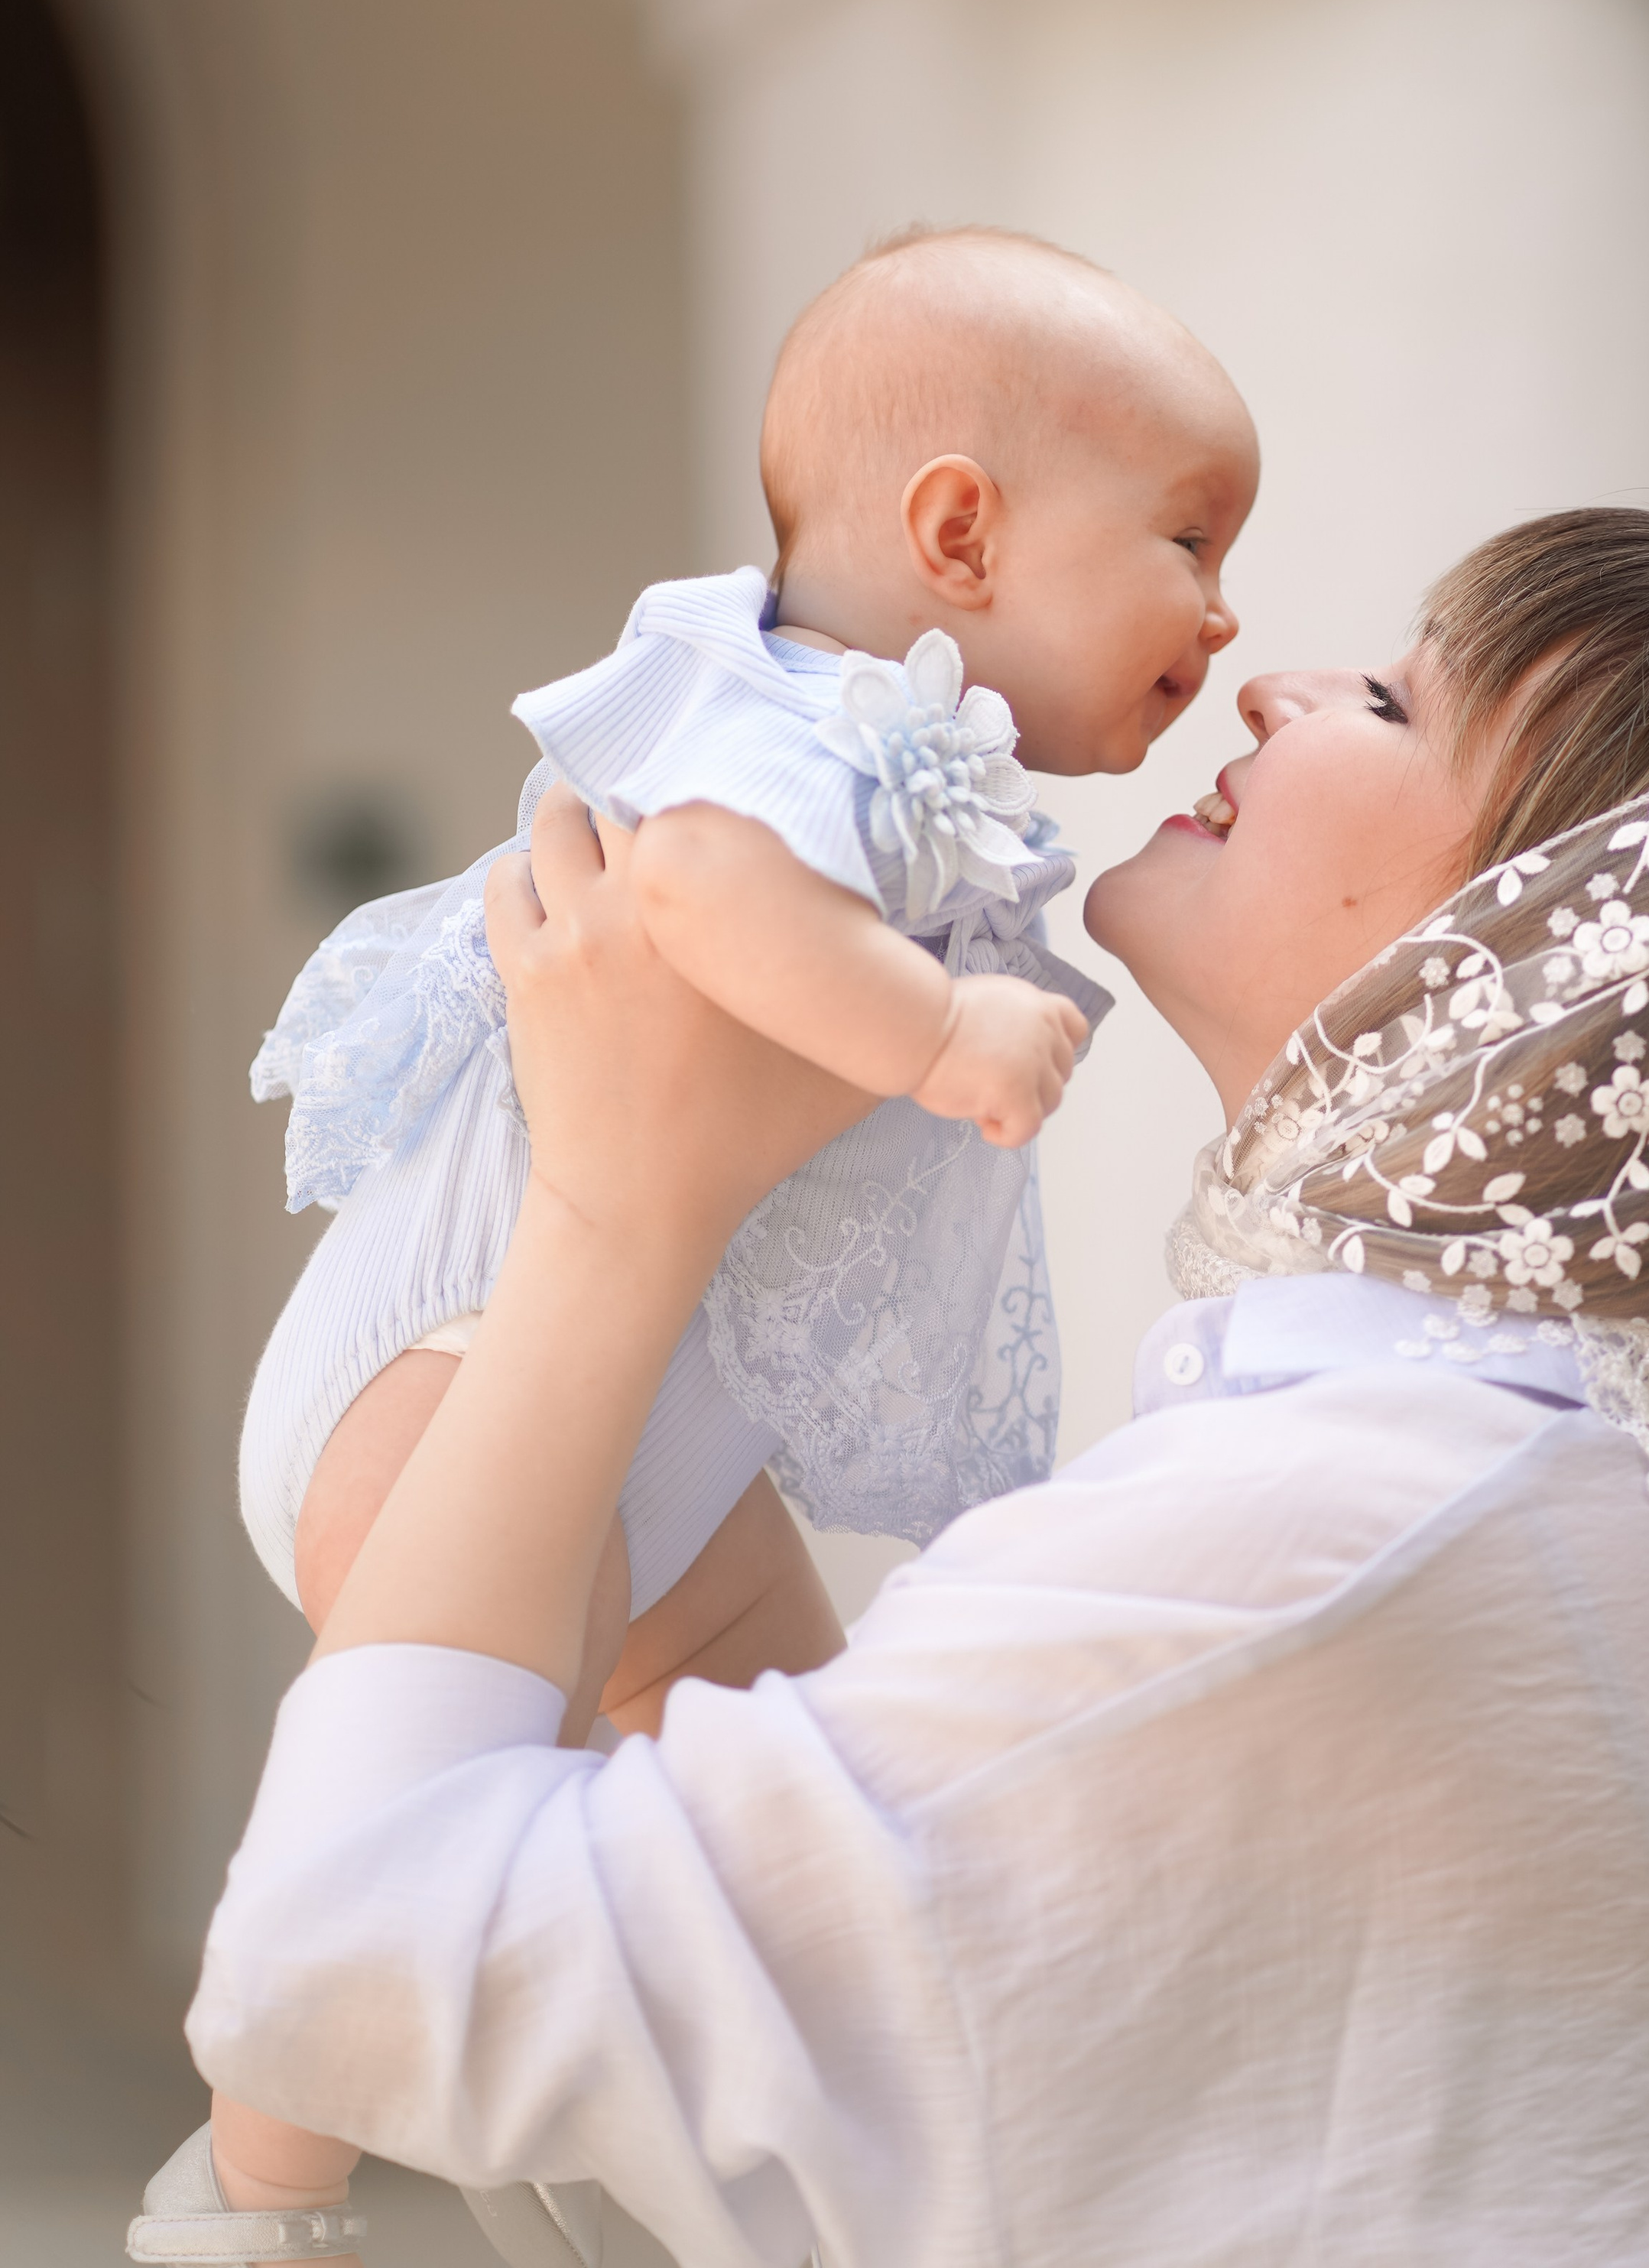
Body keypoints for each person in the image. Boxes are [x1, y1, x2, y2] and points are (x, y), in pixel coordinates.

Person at [170, 511, 1649, 2268]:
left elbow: (337, 1974)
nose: (1270, 685)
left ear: (1566, 960)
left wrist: (608, 1212)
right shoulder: (1486, 1486)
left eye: (1396, 704)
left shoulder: (1339, 1528)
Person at [137, 226, 1255, 2263]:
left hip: (664, 1421)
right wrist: (941, 1032)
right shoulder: (802, 712)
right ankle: (253, 2192)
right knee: (418, 1841)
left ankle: (663, 2173)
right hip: (461, 1371)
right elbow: (707, 898)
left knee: (785, 1797)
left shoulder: (903, 755)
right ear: (959, 533)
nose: (1224, 604)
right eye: (1188, 536)